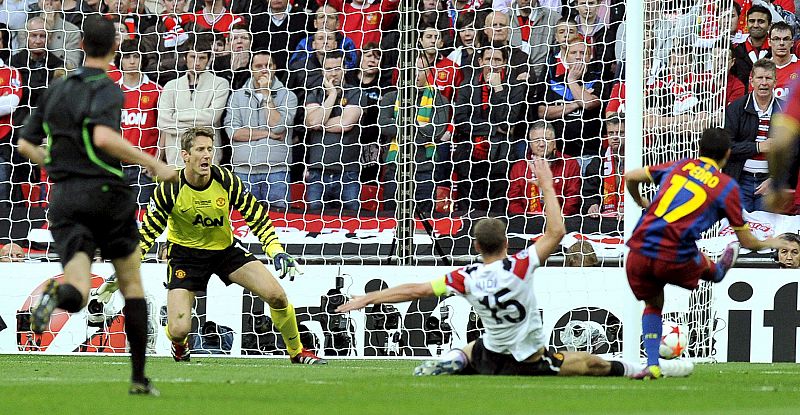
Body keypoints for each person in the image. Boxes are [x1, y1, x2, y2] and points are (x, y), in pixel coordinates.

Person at [336, 160, 667, 378]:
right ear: (506, 242)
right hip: (528, 358)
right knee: (588, 363)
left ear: (477, 247)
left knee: (474, 346)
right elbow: (557, 232)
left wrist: (369, 298)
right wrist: (548, 187)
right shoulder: (522, 264)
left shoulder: (464, 277)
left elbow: (416, 290)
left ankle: (456, 359)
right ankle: (637, 369)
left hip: (489, 356)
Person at [17, 15, 178, 395]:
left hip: (65, 197)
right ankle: (139, 379)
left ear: (80, 45)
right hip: (107, 194)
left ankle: (56, 296)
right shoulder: (107, 89)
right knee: (131, 283)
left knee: (77, 288)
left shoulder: (56, 90)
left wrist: (56, 164)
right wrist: (152, 163)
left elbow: (24, 144)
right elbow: (104, 137)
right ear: (115, 47)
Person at [136, 127, 326, 365]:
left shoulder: (225, 180)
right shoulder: (169, 186)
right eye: (200, 150)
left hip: (225, 251)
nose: (207, 156)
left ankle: (298, 352)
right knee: (178, 329)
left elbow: (256, 216)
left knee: (277, 296)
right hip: (185, 256)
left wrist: (275, 249)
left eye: (210, 150)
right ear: (185, 155)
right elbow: (148, 232)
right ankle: (179, 345)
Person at [625, 127, 790, 379]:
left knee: (653, 303)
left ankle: (653, 364)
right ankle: (718, 269)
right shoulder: (726, 187)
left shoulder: (680, 166)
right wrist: (772, 242)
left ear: (700, 149)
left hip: (638, 248)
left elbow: (630, 176)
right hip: (674, 253)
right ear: (727, 154)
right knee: (712, 273)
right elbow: (747, 241)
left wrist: (640, 202)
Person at [723, 59, 784, 212]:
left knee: (766, 232)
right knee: (741, 231)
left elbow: (793, 151)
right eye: (759, 78)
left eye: (768, 78)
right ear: (751, 81)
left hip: (770, 182)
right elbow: (727, 146)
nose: (764, 82)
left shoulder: (785, 110)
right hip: (740, 180)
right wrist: (758, 147)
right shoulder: (736, 108)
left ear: (775, 82)